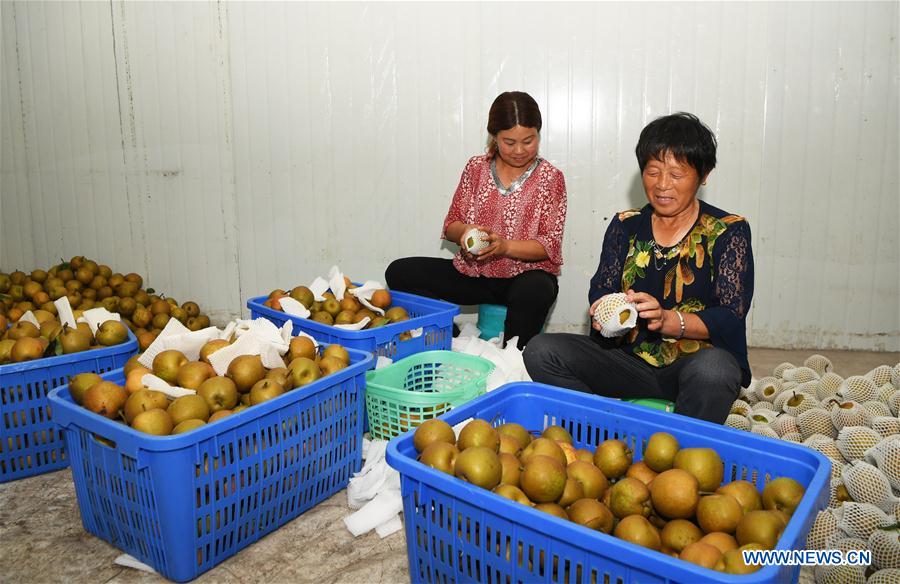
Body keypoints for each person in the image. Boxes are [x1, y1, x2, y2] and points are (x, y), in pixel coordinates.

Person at [523, 112, 754, 424]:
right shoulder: (626, 225)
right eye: (653, 171)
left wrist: (670, 321)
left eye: (676, 174)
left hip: (692, 366)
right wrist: (607, 312)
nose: (662, 185)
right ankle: (604, 429)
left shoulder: (727, 231)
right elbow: (602, 288)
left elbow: (729, 315)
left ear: (704, 175)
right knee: (541, 351)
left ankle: (679, 443)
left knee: (715, 370)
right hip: (627, 362)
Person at [385, 91, 567, 349]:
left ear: (538, 134)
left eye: (528, 141)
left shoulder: (551, 178)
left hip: (523, 277)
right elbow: (451, 224)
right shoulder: (476, 168)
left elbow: (549, 245)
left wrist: (505, 246)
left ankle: (513, 357)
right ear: (494, 136)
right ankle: (453, 339)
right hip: (473, 274)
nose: (519, 150)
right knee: (400, 272)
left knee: (537, 289)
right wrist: (465, 233)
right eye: (509, 142)